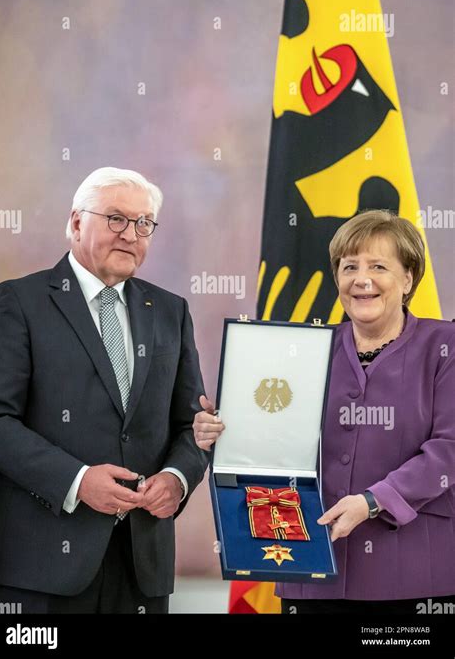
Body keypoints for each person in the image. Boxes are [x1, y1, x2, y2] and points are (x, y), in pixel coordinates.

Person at [194, 210, 455, 614]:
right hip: (310, 572)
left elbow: (449, 449)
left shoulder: (446, 346)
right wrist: (222, 434)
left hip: (414, 574)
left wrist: (373, 500)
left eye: (379, 266)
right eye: (349, 266)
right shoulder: (301, 350)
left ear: (408, 279)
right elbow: (271, 441)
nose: (361, 279)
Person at [0, 166, 208, 613]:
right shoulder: (17, 302)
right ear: (76, 222)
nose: (131, 234)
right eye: (116, 218)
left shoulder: (169, 311)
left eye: (144, 223)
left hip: (141, 566)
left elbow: (193, 424)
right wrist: (77, 482)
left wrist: (177, 479)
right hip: (38, 567)